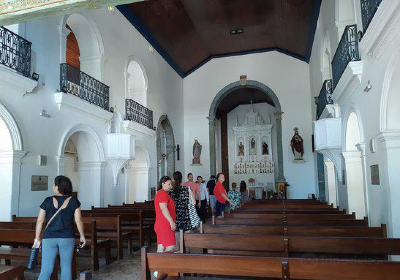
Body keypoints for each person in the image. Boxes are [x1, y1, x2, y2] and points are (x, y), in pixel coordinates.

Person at [33, 176, 85, 280]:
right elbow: (78, 220)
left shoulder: (47, 201)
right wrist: (82, 236)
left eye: (54, 184)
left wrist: (37, 238)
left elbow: (39, 221)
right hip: (67, 237)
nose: (53, 186)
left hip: (49, 238)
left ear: (57, 187)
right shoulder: (73, 201)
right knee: (66, 267)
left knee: (46, 269)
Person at [154, 176, 176, 253]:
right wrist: (171, 221)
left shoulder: (161, 193)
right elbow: (163, 208)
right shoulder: (162, 194)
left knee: (160, 248)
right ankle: (167, 265)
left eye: (171, 184)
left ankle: (158, 264)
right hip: (165, 224)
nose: (171, 186)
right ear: (163, 184)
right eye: (169, 184)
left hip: (161, 224)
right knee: (170, 248)